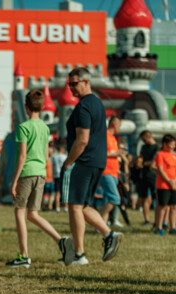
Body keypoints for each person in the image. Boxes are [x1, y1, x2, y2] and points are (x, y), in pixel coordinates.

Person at [60, 67, 123, 266]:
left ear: (86, 81)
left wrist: (69, 161)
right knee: (83, 205)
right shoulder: (97, 103)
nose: (71, 88)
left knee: (74, 206)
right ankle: (108, 234)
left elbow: (82, 139)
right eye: (69, 84)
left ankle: (79, 254)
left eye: (75, 83)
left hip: (84, 160)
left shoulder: (83, 107)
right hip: (97, 161)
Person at [4, 90, 69, 268]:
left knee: (19, 212)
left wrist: (14, 180)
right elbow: (47, 153)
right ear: (41, 107)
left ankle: (24, 256)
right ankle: (60, 240)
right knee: (33, 214)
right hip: (41, 172)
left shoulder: (23, 127)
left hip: (26, 173)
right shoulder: (45, 128)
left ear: (26, 107)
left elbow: (22, 156)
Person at [100, 116, 124, 224]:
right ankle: (100, 221)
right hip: (106, 171)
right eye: (119, 125)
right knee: (115, 198)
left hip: (114, 172)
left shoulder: (113, 138)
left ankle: (101, 225)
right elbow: (100, 153)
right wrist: (115, 154)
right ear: (114, 125)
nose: (120, 128)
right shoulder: (104, 136)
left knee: (107, 199)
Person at [153, 134, 176, 235]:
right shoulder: (160, 154)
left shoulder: (174, 155)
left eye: (174, 144)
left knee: (173, 207)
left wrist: (174, 181)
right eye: (170, 144)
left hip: (174, 185)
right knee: (163, 206)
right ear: (164, 144)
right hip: (163, 185)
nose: (172, 146)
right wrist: (169, 181)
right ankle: (159, 227)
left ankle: (173, 227)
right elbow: (160, 170)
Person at [139, 130, 158, 226]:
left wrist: (144, 164)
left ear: (148, 136)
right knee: (145, 198)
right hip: (144, 175)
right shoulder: (143, 147)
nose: (143, 141)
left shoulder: (157, 147)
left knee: (157, 199)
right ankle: (147, 220)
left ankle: (158, 220)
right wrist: (137, 162)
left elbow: (156, 161)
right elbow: (141, 157)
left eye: (144, 139)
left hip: (153, 175)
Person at [51, 142, 67, 212]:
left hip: (56, 175)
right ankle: (66, 207)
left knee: (57, 192)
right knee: (65, 191)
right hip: (64, 175)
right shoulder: (65, 157)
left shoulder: (54, 157)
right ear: (62, 149)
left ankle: (57, 207)